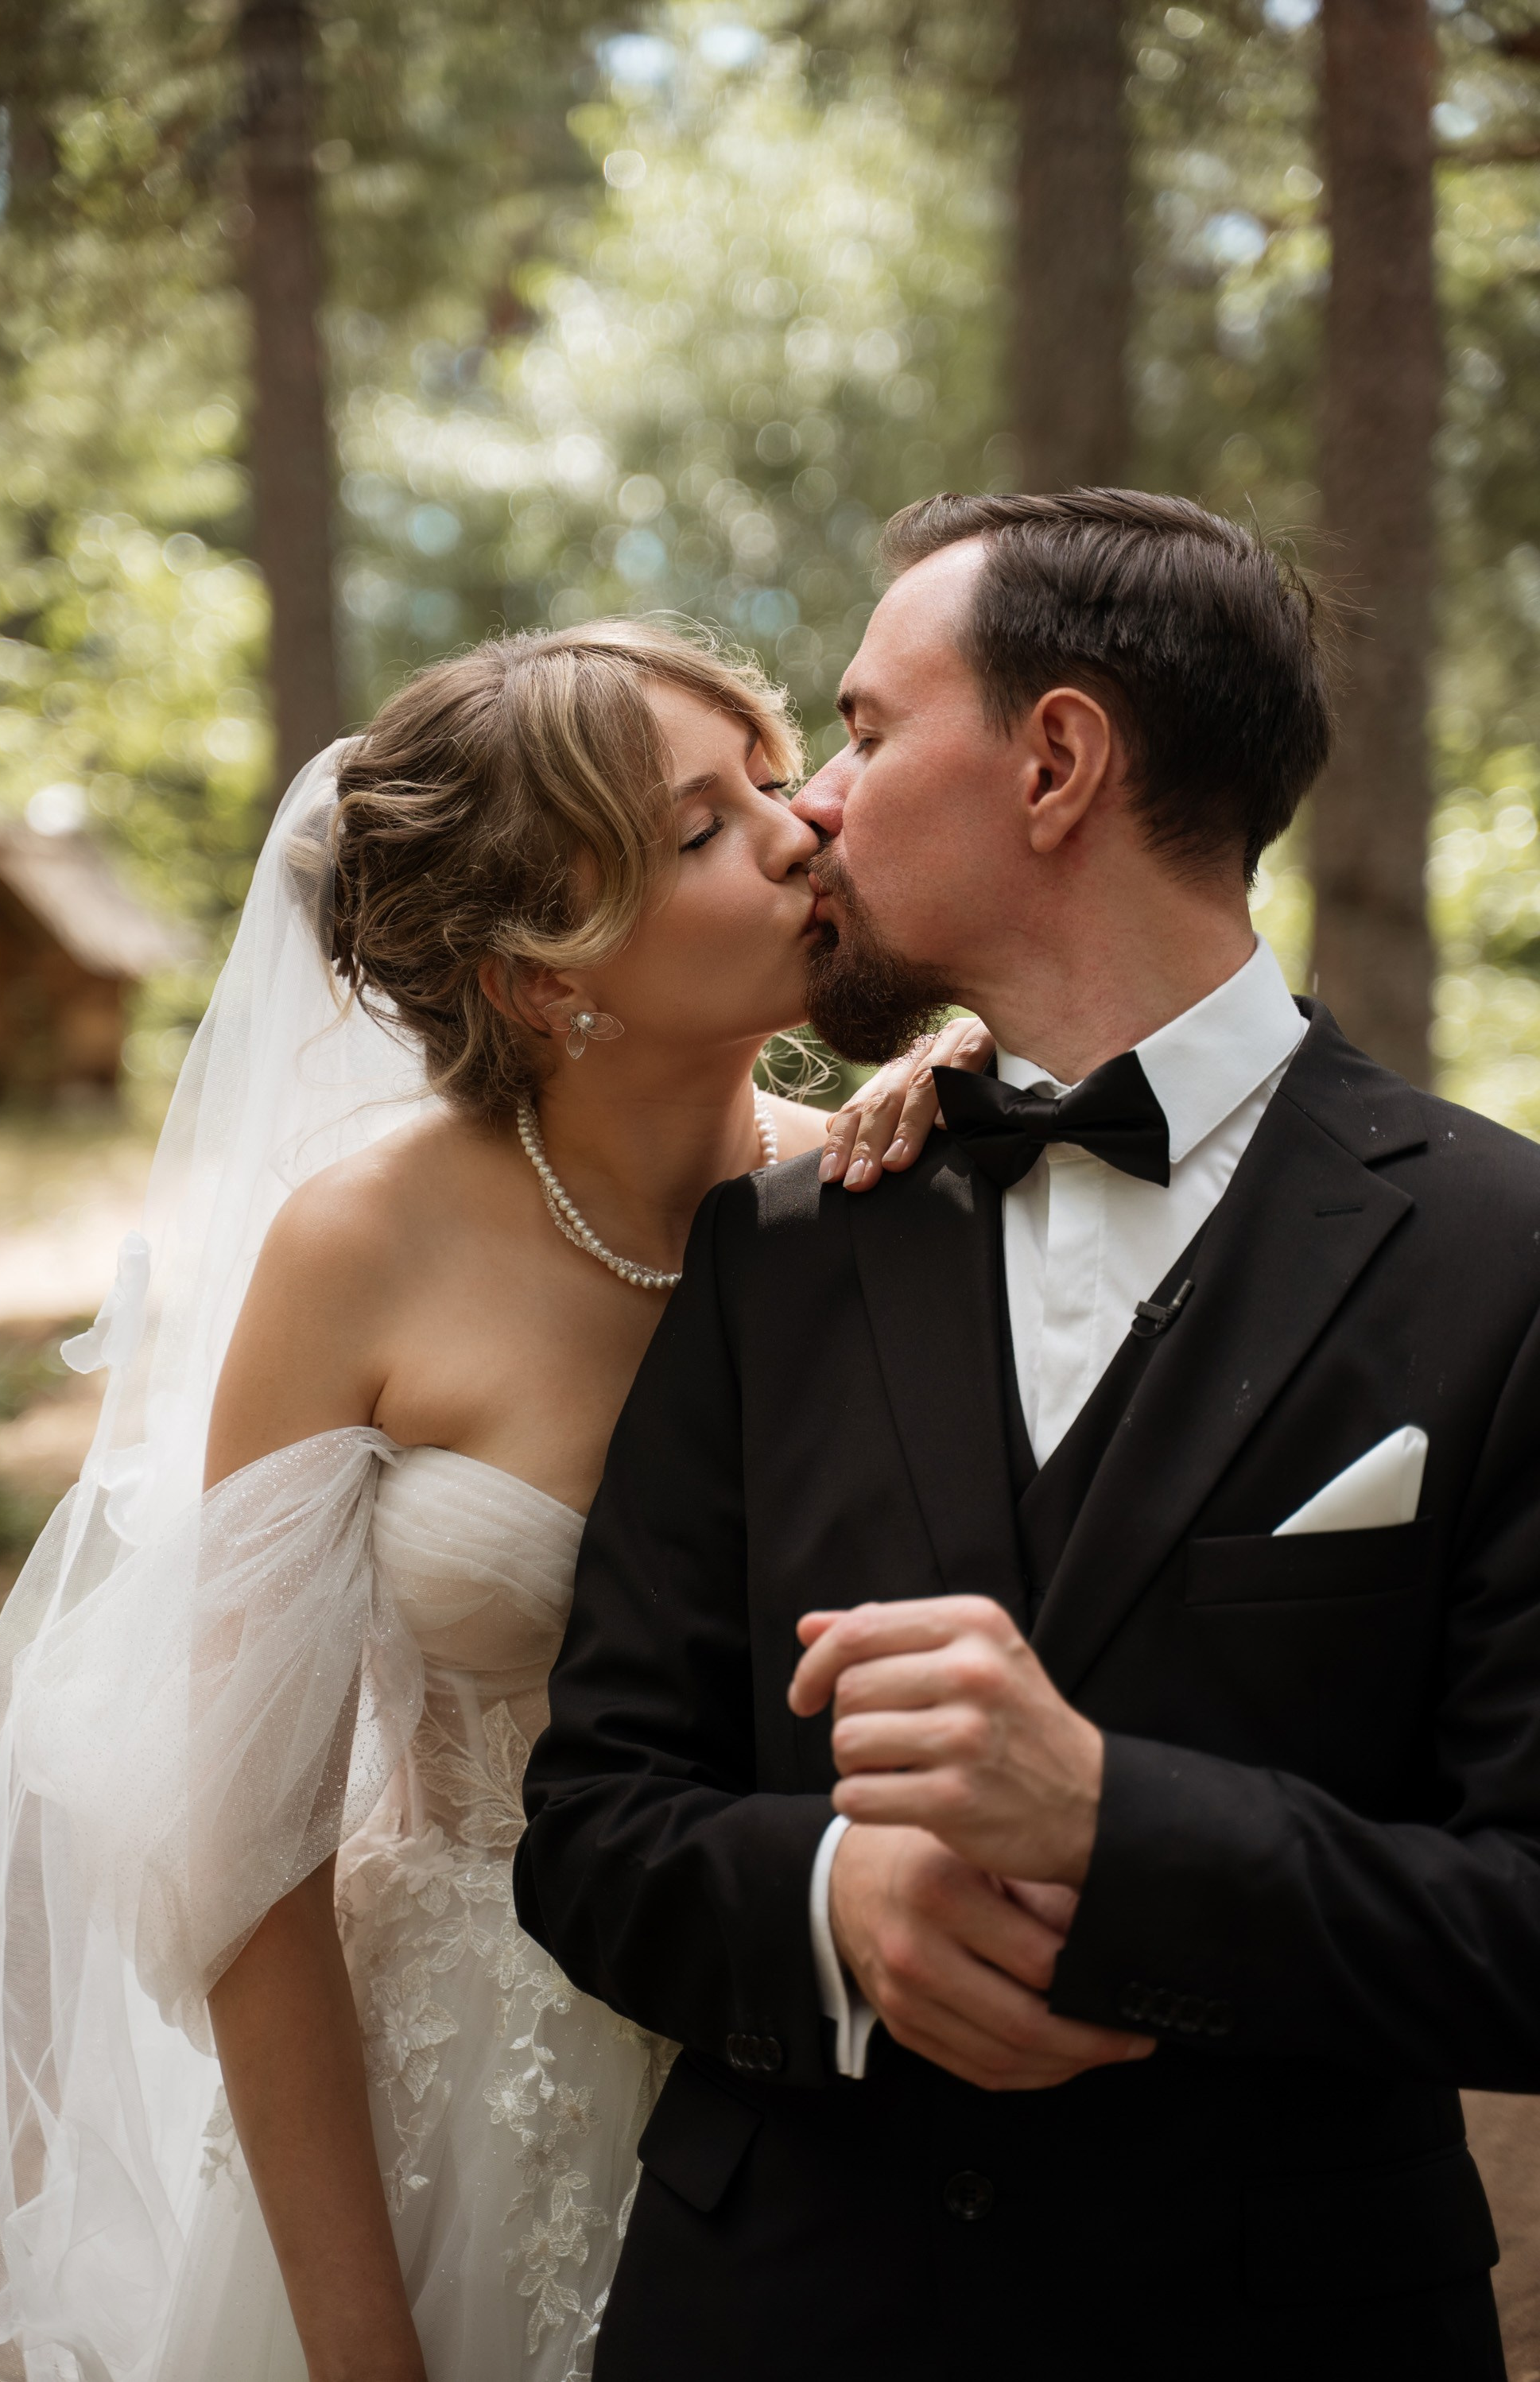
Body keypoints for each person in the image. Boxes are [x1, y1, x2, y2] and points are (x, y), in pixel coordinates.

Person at [514, 490, 1540, 2382]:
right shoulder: (776, 1246)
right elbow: (586, 1826)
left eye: (868, 729)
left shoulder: (1505, 1256)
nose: (815, 801)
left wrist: (1119, 1831)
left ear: (1057, 760)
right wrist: (837, 1906)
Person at [0, 618, 973, 2382]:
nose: (804, 832)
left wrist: (978, 1076)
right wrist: (366, 2346)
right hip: (466, 2120)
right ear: (536, 972)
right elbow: (247, 1865)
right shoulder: (359, 1251)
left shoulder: (896, 1187)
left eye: (778, 777)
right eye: (702, 829)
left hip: (835, 2069)